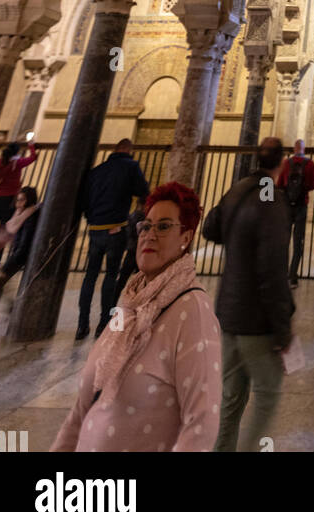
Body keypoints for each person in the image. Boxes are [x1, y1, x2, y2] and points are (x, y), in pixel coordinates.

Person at [52, 182, 220, 452]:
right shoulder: (129, 302)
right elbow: (85, 401)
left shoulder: (193, 311)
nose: (150, 235)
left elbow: (202, 423)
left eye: (164, 226)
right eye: (146, 225)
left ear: (186, 238)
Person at [202, 136, 294, 451]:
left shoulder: (238, 190)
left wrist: (231, 201)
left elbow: (210, 228)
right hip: (255, 320)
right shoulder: (272, 200)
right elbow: (273, 271)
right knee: (267, 394)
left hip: (228, 313)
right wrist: (282, 327)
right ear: (282, 164)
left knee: (230, 398)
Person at [76, 139, 149, 341]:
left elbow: (84, 201)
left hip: (95, 229)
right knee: (110, 277)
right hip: (115, 229)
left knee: (89, 276)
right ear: (129, 150)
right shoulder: (130, 166)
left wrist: (93, 219)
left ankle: (82, 325)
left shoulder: (97, 171)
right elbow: (143, 190)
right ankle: (103, 324)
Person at [0, 185, 40, 333]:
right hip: (16, 255)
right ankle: (7, 311)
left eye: (22, 200)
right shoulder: (20, 213)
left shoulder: (29, 217)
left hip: (20, 257)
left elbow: (23, 245)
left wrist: (7, 265)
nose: (18, 202)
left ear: (28, 201)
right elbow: (11, 231)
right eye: (18, 198)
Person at [0, 139, 37, 267]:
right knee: (4, 230)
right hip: (8, 201)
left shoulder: (0, 162)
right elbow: (33, 157)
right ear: (17, 152)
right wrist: (31, 145)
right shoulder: (17, 163)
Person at [276, 138, 314, 288]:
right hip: (301, 205)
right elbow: (313, 185)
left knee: (284, 241)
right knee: (298, 242)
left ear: (294, 149)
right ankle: (293, 276)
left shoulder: (286, 163)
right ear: (304, 149)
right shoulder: (310, 163)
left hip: (287, 206)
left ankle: (281, 275)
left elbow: (279, 184)